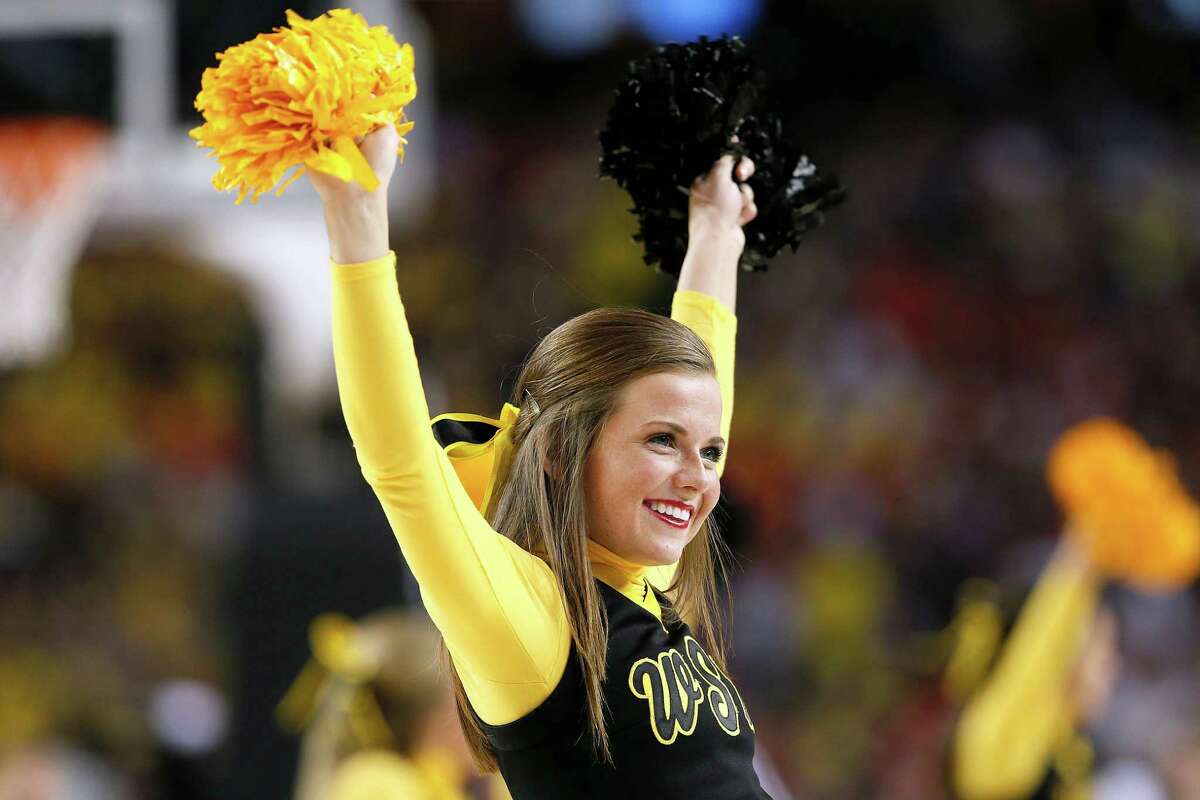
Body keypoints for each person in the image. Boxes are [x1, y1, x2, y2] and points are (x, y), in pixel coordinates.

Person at [311, 123, 771, 797]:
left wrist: (715, 236)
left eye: (709, 453)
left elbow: (702, 385)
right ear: (559, 451)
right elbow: (401, 462)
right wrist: (357, 223)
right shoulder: (533, 624)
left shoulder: (644, 584)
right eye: (661, 442)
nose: (697, 476)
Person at [281, 610, 511, 800]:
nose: (481, 720)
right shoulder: (383, 788)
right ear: (435, 719)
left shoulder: (371, 779)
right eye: (466, 702)